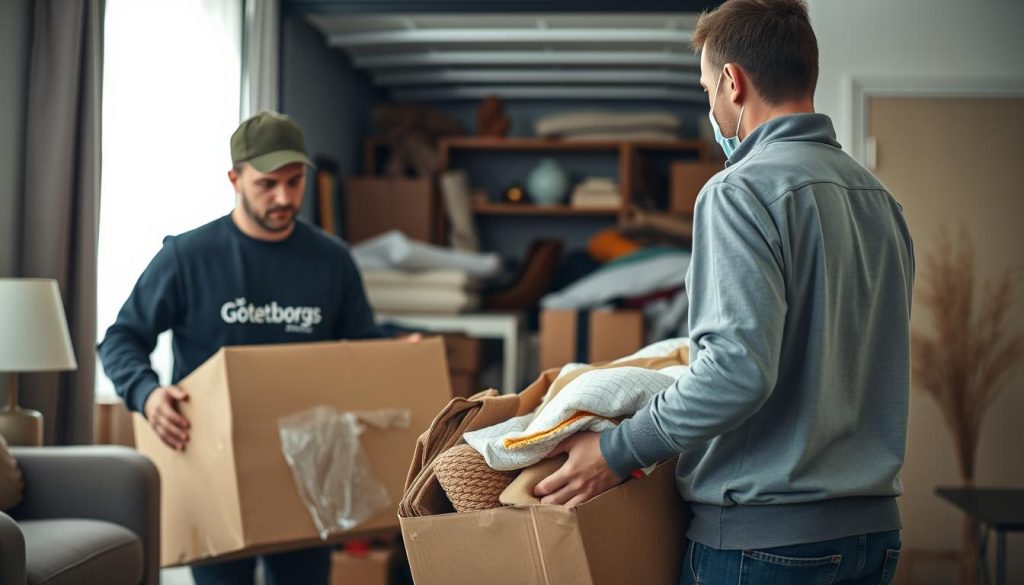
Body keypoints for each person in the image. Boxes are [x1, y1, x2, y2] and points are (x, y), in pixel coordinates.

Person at [532, 1, 915, 583]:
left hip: (764, 546)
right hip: (874, 537)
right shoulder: (881, 203)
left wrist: (616, 453)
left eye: (708, 88)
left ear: (733, 83)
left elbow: (736, 371)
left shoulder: (738, 191)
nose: (711, 105)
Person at [98, 111, 388, 585]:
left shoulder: (332, 260)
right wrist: (146, 393)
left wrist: (397, 353)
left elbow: (360, 347)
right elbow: (122, 338)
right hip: (213, 463)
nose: (284, 197)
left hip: (308, 468)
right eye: (267, 184)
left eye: (295, 183)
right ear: (234, 178)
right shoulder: (187, 257)